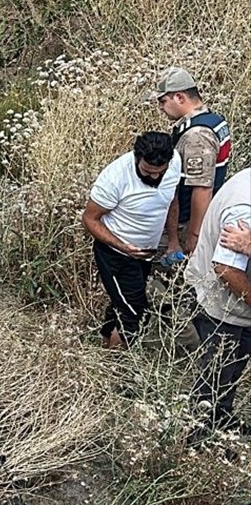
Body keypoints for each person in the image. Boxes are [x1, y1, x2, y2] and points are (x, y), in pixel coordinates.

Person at [83, 132, 181, 348]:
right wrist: (123, 246)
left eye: (160, 173)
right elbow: (89, 219)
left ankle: (107, 346)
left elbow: (171, 200)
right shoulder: (115, 178)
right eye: (147, 171)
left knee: (123, 303)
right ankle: (117, 366)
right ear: (136, 158)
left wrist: (173, 240)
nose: (154, 178)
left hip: (146, 254)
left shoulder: (175, 164)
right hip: (115, 254)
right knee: (135, 313)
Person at [183, 166, 251, 436]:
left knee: (231, 370)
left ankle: (220, 419)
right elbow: (227, 269)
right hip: (224, 308)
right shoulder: (244, 207)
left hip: (238, 308)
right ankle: (198, 437)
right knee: (217, 374)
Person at [148, 66, 232, 255]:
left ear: (179, 97)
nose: (160, 107)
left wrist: (194, 237)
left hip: (187, 222)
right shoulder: (213, 119)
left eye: (163, 101)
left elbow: (202, 188)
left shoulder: (197, 134)